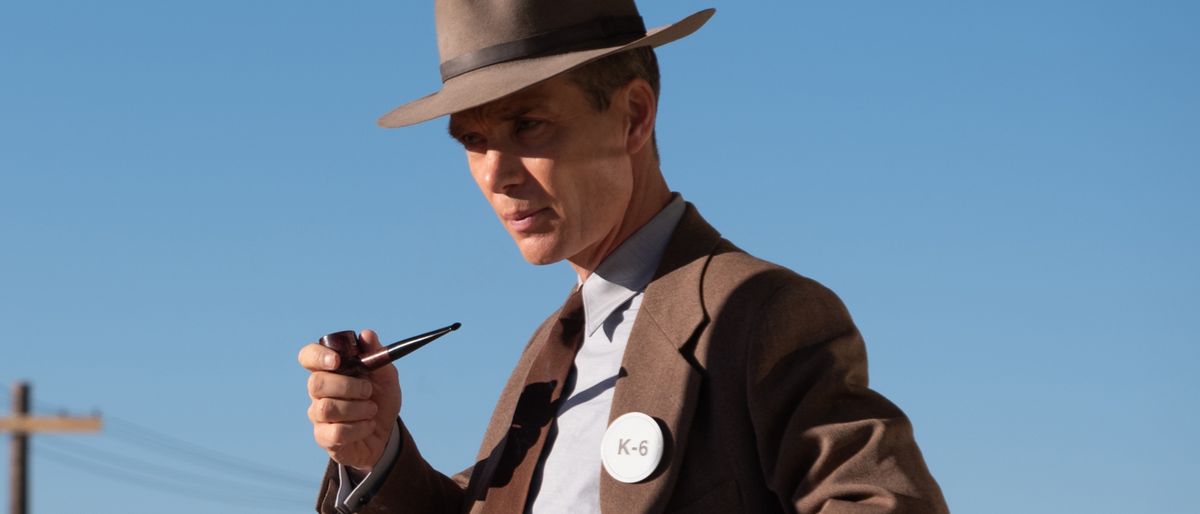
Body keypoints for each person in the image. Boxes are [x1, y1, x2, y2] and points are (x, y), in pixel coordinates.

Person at [297, 1, 949, 513]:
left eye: (528, 125)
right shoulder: (549, 358)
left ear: (634, 116)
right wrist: (377, 454)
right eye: (472, 139)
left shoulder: (756, 312)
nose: (495, 173)